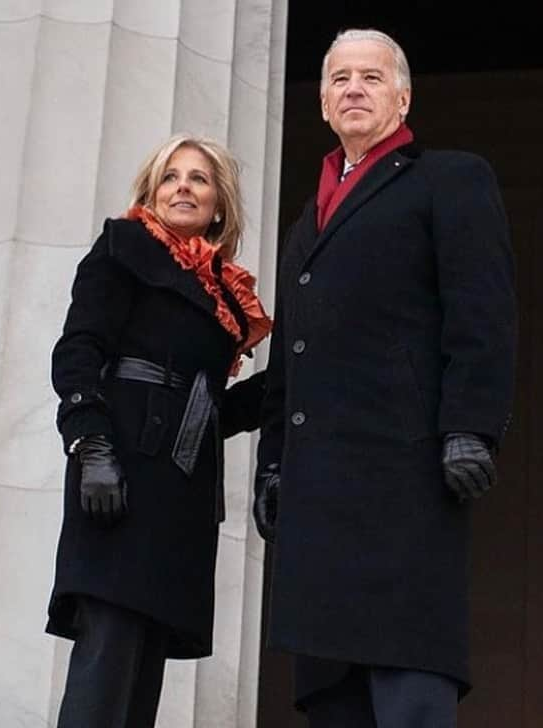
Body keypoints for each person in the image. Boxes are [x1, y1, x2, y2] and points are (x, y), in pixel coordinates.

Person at [253, 28, 516, 728]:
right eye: (340, 79)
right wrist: (272, 464)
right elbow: (293, 360)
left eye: (372, 77)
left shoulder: (450, 177)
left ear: (403, 96)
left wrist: (471, 426)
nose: (354, 89)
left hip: (404, 480)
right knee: (333, 698)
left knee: (408, 687)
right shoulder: (308, 222)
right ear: (322, 103)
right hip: (317, 499)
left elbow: (481, 311)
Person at [47, 133, 271, 727]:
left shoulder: (224, 290)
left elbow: (208, 407)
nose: (183, 187)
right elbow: (78, 349)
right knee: (104, 675)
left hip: (179, 498)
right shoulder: (123, 247)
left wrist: (297, 377)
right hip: (117, 479)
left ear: (219, 202)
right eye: (170, 176)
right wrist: (90, 444)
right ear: (152, 190)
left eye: (198, 178)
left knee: (140, 687)